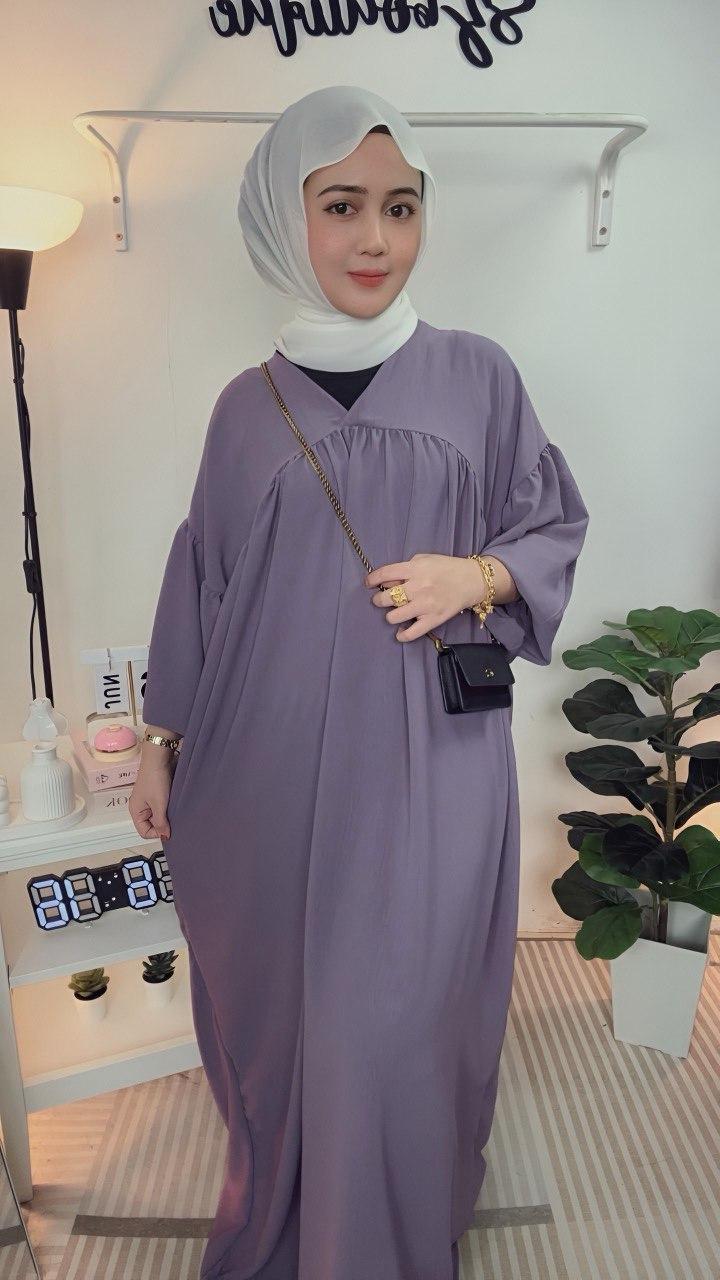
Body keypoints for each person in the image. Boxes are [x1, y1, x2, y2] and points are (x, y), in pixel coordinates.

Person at [130, 84, 590, 1280]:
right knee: (289, 1019)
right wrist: (162, 742)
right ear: (288, 219)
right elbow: (204, 580)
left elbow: (550, 524)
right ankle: (299, 1217)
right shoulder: (244, 408)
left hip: (429, 768)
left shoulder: (478, 375)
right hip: (264, 774)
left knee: (394, 1017)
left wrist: (472, 573)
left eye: (400, 205)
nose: (375, 237)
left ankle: (378, 1238)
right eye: (341, 206)